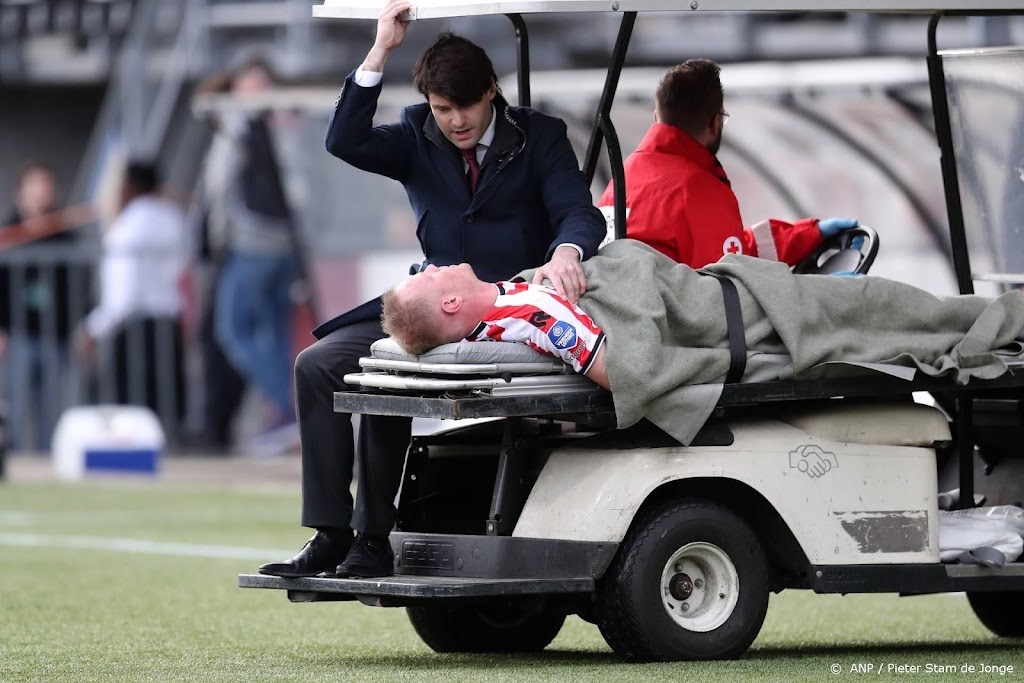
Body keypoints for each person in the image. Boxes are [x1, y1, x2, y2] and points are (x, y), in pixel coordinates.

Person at [334, 238, 1024, 579]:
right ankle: (1002, 320)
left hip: (705, 302)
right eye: (425, 278)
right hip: (731, 317)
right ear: (450, 304)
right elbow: (622, 366)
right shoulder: (533, 312)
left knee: (886, 312)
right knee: (881, 309)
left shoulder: (513, 309)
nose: (433, 267)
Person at [257, 0, 606, 579]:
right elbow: (343, 140)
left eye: (466, 106)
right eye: (444, 109)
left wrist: (566, 253)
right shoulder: (416, 136)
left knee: (389, 374)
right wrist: (381, 48)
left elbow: (578, 213)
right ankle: (330, 532)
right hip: (432, 305)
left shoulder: (540, 136)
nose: (457, 121)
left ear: (491, 90)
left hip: (503, 310)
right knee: (318, 365)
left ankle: (372, 540)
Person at [598, 58, 858, 268]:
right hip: (676, 330)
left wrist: (808, 235)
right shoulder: (697, 187)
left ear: (657, 117)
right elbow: (728, 287)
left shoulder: (624, 177)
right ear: (715, 123)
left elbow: (732, 252)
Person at [205, 57, 300, 447]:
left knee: (233, 329)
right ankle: (284, 412)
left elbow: (218, 186)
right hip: (287, 243)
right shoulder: (287, 123)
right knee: (274, 333)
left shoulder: (238, 123)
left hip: (252, 242)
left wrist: (216, 237)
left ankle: (285, 406)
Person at [74, 161, 187, 428]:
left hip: (135, 328)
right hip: (169, 323)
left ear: (129, 187)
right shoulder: (174, 219)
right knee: (166, 411)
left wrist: (94, 328)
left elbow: (122, 294)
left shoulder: (126, 228)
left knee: (131, 415)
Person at [0, 162, 80, 451]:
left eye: (46, 187)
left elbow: (77, 287)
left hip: (55, 334)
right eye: (35, 187)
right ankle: (19, 461)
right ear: (21, 192)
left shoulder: (64, 233)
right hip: (18, 333)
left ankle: (50, 460)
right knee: (18, 406)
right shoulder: (8, 233)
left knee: (52, 406)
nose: (41, 194)